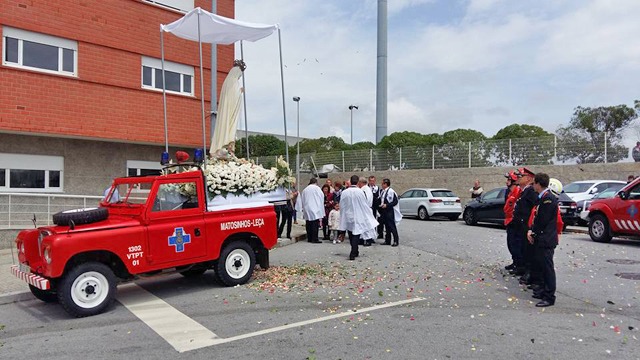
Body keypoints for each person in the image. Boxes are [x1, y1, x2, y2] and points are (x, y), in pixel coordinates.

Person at [527, 173, 559, 307]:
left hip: (546, 239)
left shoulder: (548, 199)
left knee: (547, 268)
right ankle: (543, 290)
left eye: (534, 183)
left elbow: (542, 220)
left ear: (539, 184)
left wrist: (533, 232)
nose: (533, 185)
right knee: (541, 266)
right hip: (542, 238)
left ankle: (549, 296)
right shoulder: (543, 198)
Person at [339, 175, 379, 260]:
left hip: (348, 215)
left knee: (350, 233)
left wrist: (342, 215)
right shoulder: (360, 192)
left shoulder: (345, 192)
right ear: (357, 182)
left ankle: (354, 250)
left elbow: (342, 205)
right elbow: (364, 204)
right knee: (356, 234)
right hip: (358, 215)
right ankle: (353, 252)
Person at [513, 167, 539, 286]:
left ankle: (529, 273)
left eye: (521, 176)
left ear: (528, 178)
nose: (518, 178)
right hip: (522, 225)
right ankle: (525, 270)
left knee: (529, 251)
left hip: (527, 226)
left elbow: (534, 209)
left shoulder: (531, 192)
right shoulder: (525, 191)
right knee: (523, 249)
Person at [503, 171, 523, 274]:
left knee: (516, 245)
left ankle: (519, 265)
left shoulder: (518, 191)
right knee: (510, 244)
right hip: (509, 221)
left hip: (515, 222)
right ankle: (515, 262)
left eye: (509, 179)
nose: (507, 181)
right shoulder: (510, 192)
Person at [300, 178, 325, 244]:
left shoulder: (305, 189)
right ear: (316, 182)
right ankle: (315, 238)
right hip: (315, 207)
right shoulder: (317, 188)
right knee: (315, 224)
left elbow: (302, 198)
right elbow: (321, 197)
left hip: (307, 207)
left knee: (308, 223)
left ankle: (309, 237)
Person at [379, 178, 402, 246]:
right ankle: (387, 240)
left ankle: (396, 240)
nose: (382, 185)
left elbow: (395, 201)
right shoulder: (383, 191)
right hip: (384, 211)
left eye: (383, 183)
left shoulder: (391, 191)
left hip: (389, 211)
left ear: (386, 184)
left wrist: (387, 205)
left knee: (392, 226)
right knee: (386, 226)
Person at [358, 177, 377, 246]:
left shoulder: (364, 190)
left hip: (365, 209)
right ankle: (362, 239)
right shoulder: (367, 189)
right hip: (366, 208)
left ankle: (368, 239)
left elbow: (364, 199)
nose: (358, 184)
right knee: (364, 225)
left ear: (361, 182)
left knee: (367, 225)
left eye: (359, 183)